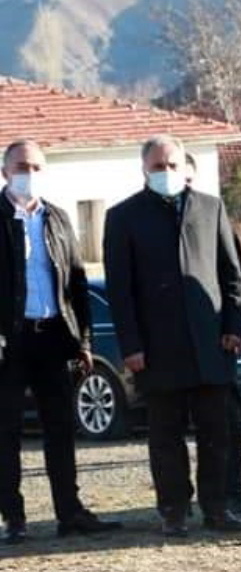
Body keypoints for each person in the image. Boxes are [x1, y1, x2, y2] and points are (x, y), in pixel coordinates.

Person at [103, 135, 241, 536]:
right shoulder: (123, 217)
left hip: (210, 344)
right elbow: (120, 290)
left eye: (172, 165)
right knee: (165, 435)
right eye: (157, 166)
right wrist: (131, 346)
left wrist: (234, 326)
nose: (166, 173)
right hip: (156, 348)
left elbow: (232, 274)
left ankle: (217, 507)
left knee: (216, 433)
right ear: (144, 170)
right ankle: (173, 509)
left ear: (185, 167)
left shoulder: (210, 207)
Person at [0, 140, 122, 544]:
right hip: (9, 342)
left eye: (35, 166)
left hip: (53, 337)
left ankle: (69, 513)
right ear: (5, 171)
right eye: (21, 166)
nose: (28, 174)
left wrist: (83, 340)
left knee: (61, 429)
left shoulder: (57, 219)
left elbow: (76, 282)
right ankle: (14, 518)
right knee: (6, 432)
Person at [185, 152, 241, 516]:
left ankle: (234, 495)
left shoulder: (213, 217)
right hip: (177, 345)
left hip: (217, 342)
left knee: (229, 423)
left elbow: (236, 277)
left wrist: (236, 324)